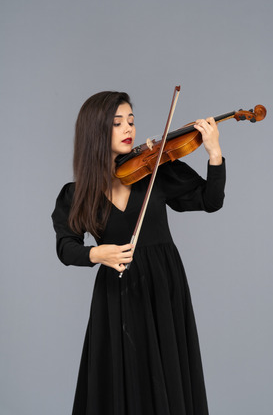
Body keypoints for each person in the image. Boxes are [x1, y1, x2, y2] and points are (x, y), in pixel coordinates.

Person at [51, 91, 225, 415]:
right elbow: (66, 246)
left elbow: (210, 200)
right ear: (96, 131)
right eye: (117, 123)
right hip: (116, 291)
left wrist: (214, 152)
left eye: (130, 120)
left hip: (162, 285)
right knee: (120, 377)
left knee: (166, 375)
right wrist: (96, 254)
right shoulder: (77, 193)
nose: (128, 128)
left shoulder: (155, 171)